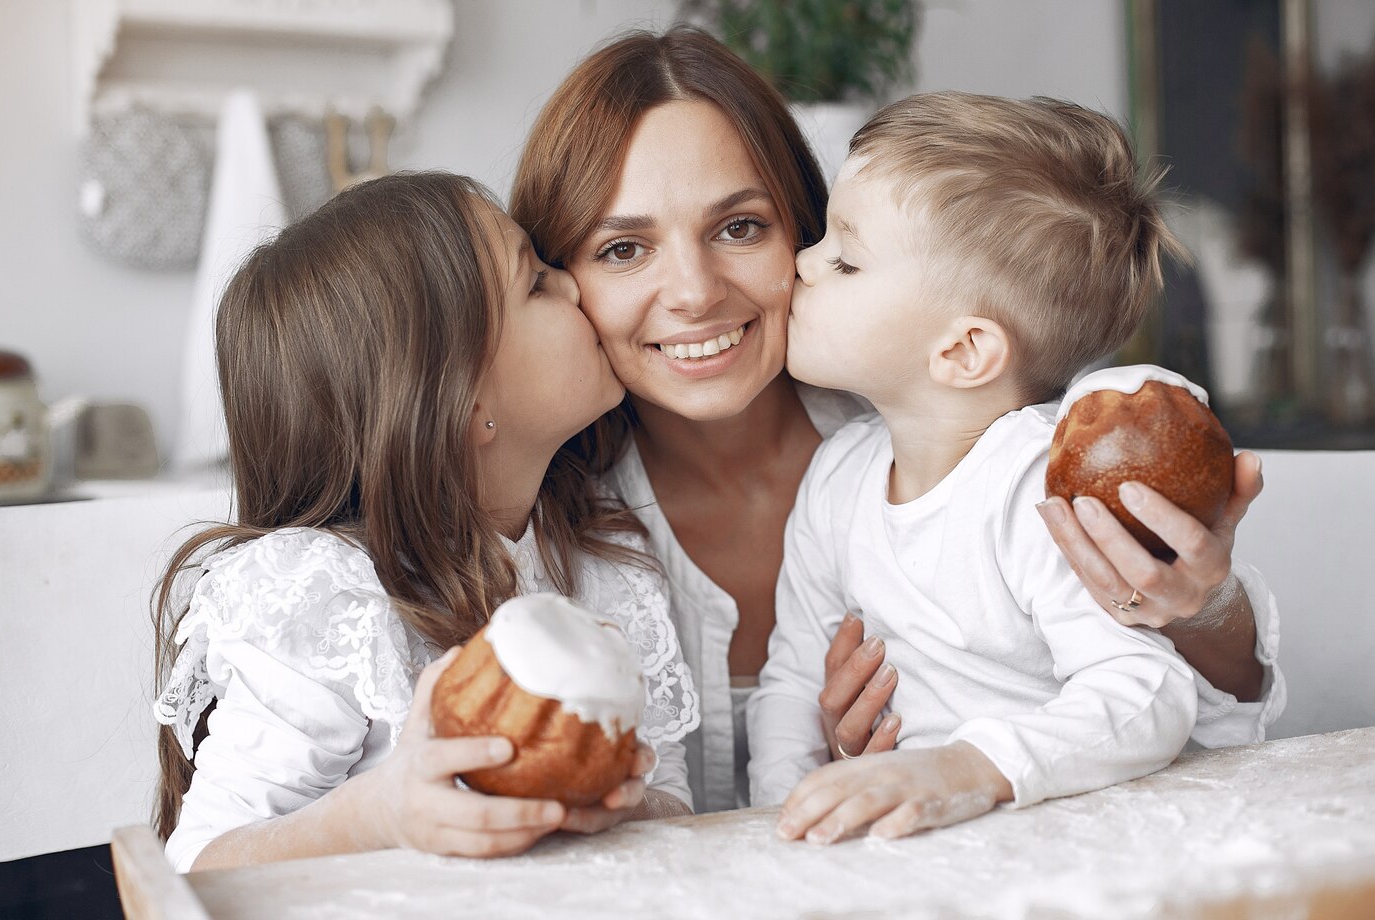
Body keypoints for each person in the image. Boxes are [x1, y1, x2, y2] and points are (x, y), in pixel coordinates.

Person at [511, 27, 1282, 815]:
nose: (695, 293)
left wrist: (1203, 604)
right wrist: (807, 801)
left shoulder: (1025, 464)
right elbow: (789, 692)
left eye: (741, 227)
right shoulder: (539, 516)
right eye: (623, 249)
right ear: (557, 278)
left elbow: (1163, 696)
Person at [150, 171, 699, 873]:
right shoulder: (330, 600)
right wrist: (378, 816)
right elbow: (197, 869)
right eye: (536, 282)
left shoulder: (600, 560)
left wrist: (627, 808)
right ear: (466, 404)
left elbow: (676, 804)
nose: (573, 283)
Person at [749, 91, 1210, 841]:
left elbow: (1147, 693)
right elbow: (794, 679)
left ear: (962, 351)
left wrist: (968, 768)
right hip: (915, 845)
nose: (801, 262)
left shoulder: (1038, 491)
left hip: (1068, 842)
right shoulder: (836, 478)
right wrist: (781, 816)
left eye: (846, 260)